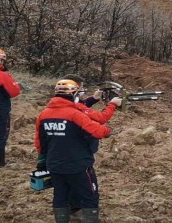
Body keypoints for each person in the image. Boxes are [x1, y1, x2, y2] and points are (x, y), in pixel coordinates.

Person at [36, 80, 119, 223]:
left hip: (54, 164)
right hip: (78, 164)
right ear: (73, 93)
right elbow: (98, 131)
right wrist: (109, 131)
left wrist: (43, 161)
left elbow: (39, 142)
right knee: (89, 195)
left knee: (60, 195)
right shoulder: (75, 114)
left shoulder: (43, 115)